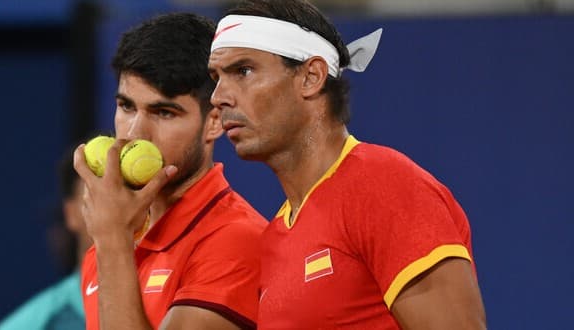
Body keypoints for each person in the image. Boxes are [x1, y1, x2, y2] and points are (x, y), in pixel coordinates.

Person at [208, 0, 487, 328]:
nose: (218, 96)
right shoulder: (275, 237)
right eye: (216, 77)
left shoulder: (384, 185)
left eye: (243, 71)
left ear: (311, 77)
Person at [72, 13, 267, 330]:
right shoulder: (107, 248)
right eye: (126, 106)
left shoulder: (238, 242)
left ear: (215, 120)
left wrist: (112, 242)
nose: (135, 134)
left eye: (163, 112)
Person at [0, 150, 92, 330]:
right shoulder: (31, 325)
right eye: (95, 197)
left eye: (131, 189)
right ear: (70, 214)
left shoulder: (161, 305)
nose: (117, 207)